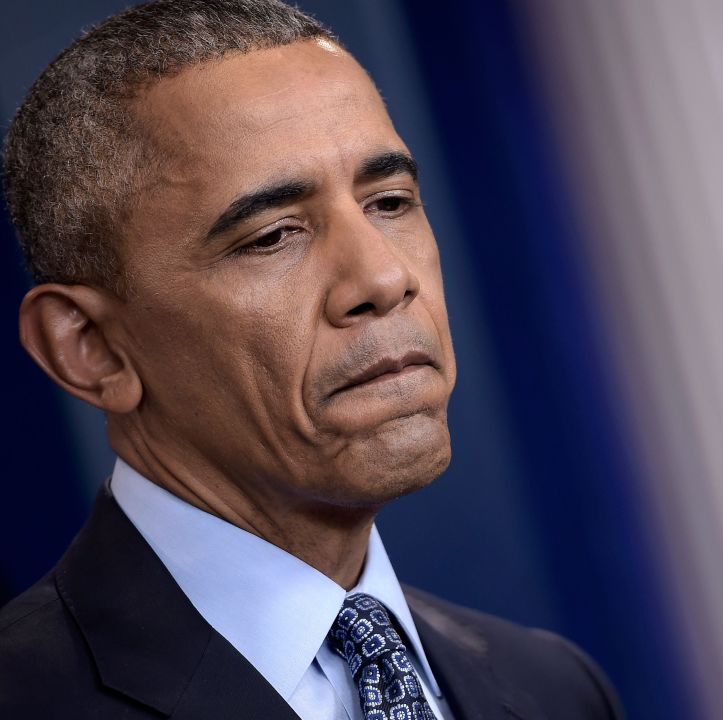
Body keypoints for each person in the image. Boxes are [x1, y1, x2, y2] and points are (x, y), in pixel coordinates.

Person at [0, 1, 623, 718]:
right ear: (91, 349)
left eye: (389, 201)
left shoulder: (555, 688)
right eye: (271, 236)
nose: (385, 280)